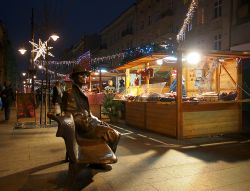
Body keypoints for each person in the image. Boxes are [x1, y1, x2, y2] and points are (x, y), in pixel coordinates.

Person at [62, 64, 120, 170]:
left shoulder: (80, 91)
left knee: (113, 132)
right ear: (74, 78)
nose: (84, 77)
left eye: (85, 75)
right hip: (82, 128)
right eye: (81, 75)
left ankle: (99, 159)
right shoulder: (70, 93)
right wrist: (91, 124)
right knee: (112, 134)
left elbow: (88, 112)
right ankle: (98, 161)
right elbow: (71, 115)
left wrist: (98, 121)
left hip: (88, 123)